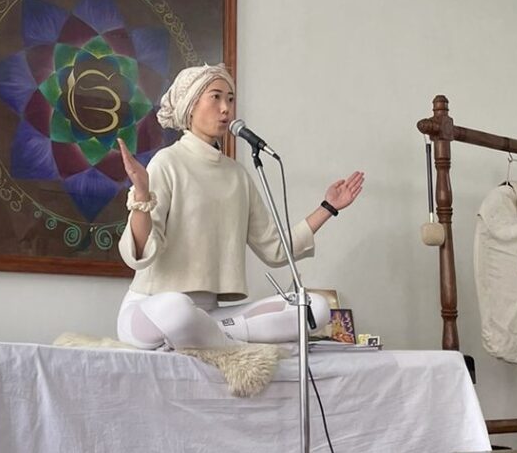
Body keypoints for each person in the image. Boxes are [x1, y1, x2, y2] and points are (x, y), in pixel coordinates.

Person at [116, 64, 365, 350]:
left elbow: (276, 248)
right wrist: (142, 195)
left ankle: (210, 334)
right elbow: (141, 250)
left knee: (314, 308)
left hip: (211, 315)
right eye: (216, 97)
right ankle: (218, 338)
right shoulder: (167, 162)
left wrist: (328, 207)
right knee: (178, 310)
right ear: (191, 105)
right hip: (153, 309)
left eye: (231, 99)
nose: (226, 108)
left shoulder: (238, 176)